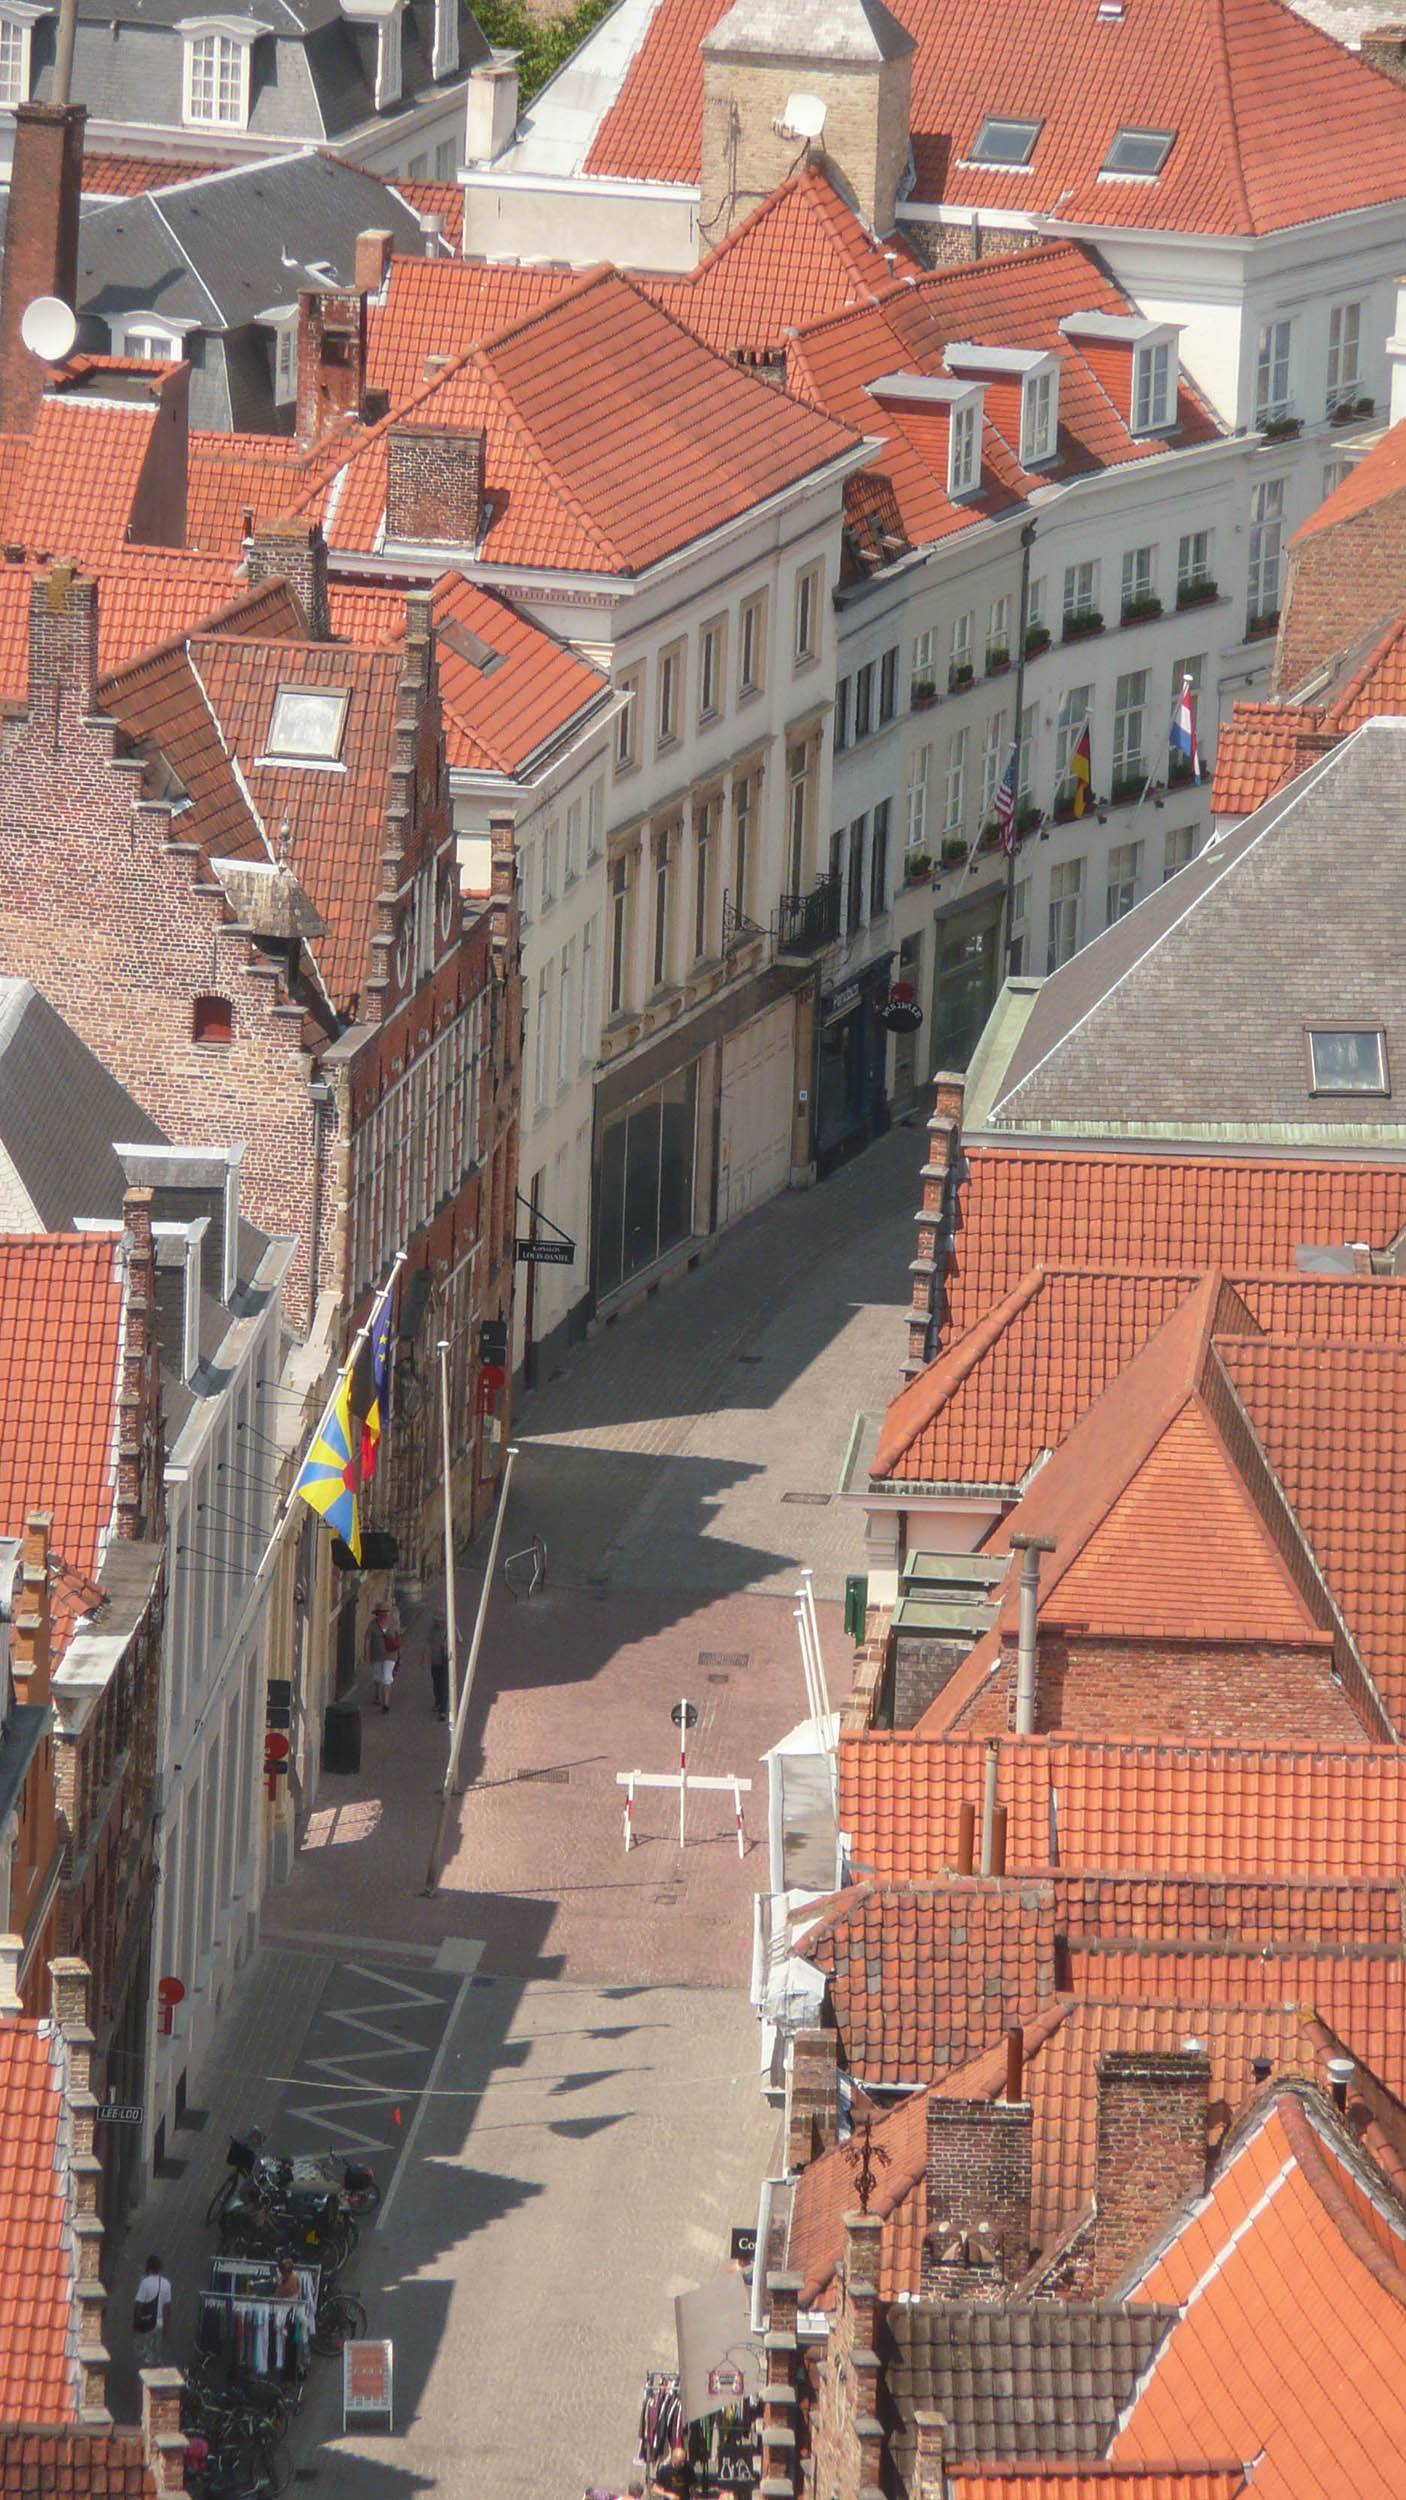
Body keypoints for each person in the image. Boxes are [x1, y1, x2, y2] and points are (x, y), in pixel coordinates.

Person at [133, 2254, 172, 2366]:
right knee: (158, 2353)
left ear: (148, 2267)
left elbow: (138, 2305)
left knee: (146, 2354)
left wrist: (136, 2324)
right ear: (160, 2268)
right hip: (159, 2323)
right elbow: (167, 2308)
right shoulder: (166, 2284)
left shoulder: (145, 2283)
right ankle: (157, 2367)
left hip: (147, 2323)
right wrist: (166, 2326)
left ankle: (148, 2372)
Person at [365, 1604, 394, 1714]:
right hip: (377, 1655)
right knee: (377, 1676)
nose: (383, 1614)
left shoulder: (392, 1623)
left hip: (390, 1655)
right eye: (381, 1612)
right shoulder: (372, 1625)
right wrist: (367, 1654)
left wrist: (399, 1652)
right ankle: (377, 1695)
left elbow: (397, 1637)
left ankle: (386, 1703)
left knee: (387, 1677)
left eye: (385, 1612)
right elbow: (367, 1640)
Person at [428, 1619, 450, 1724]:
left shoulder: (450, 1628)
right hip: (435, 1661)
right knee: (436, 1682)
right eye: (436, 1620)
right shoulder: (432, 1630)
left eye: (439, 1620)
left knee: (444, 1684)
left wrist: (447, 1647)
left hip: (445, 1662)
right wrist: (423, 1658)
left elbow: (459, 1641)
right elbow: (428, 1643)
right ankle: (438, 1701)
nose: (437, 1623)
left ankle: (443, 1711)